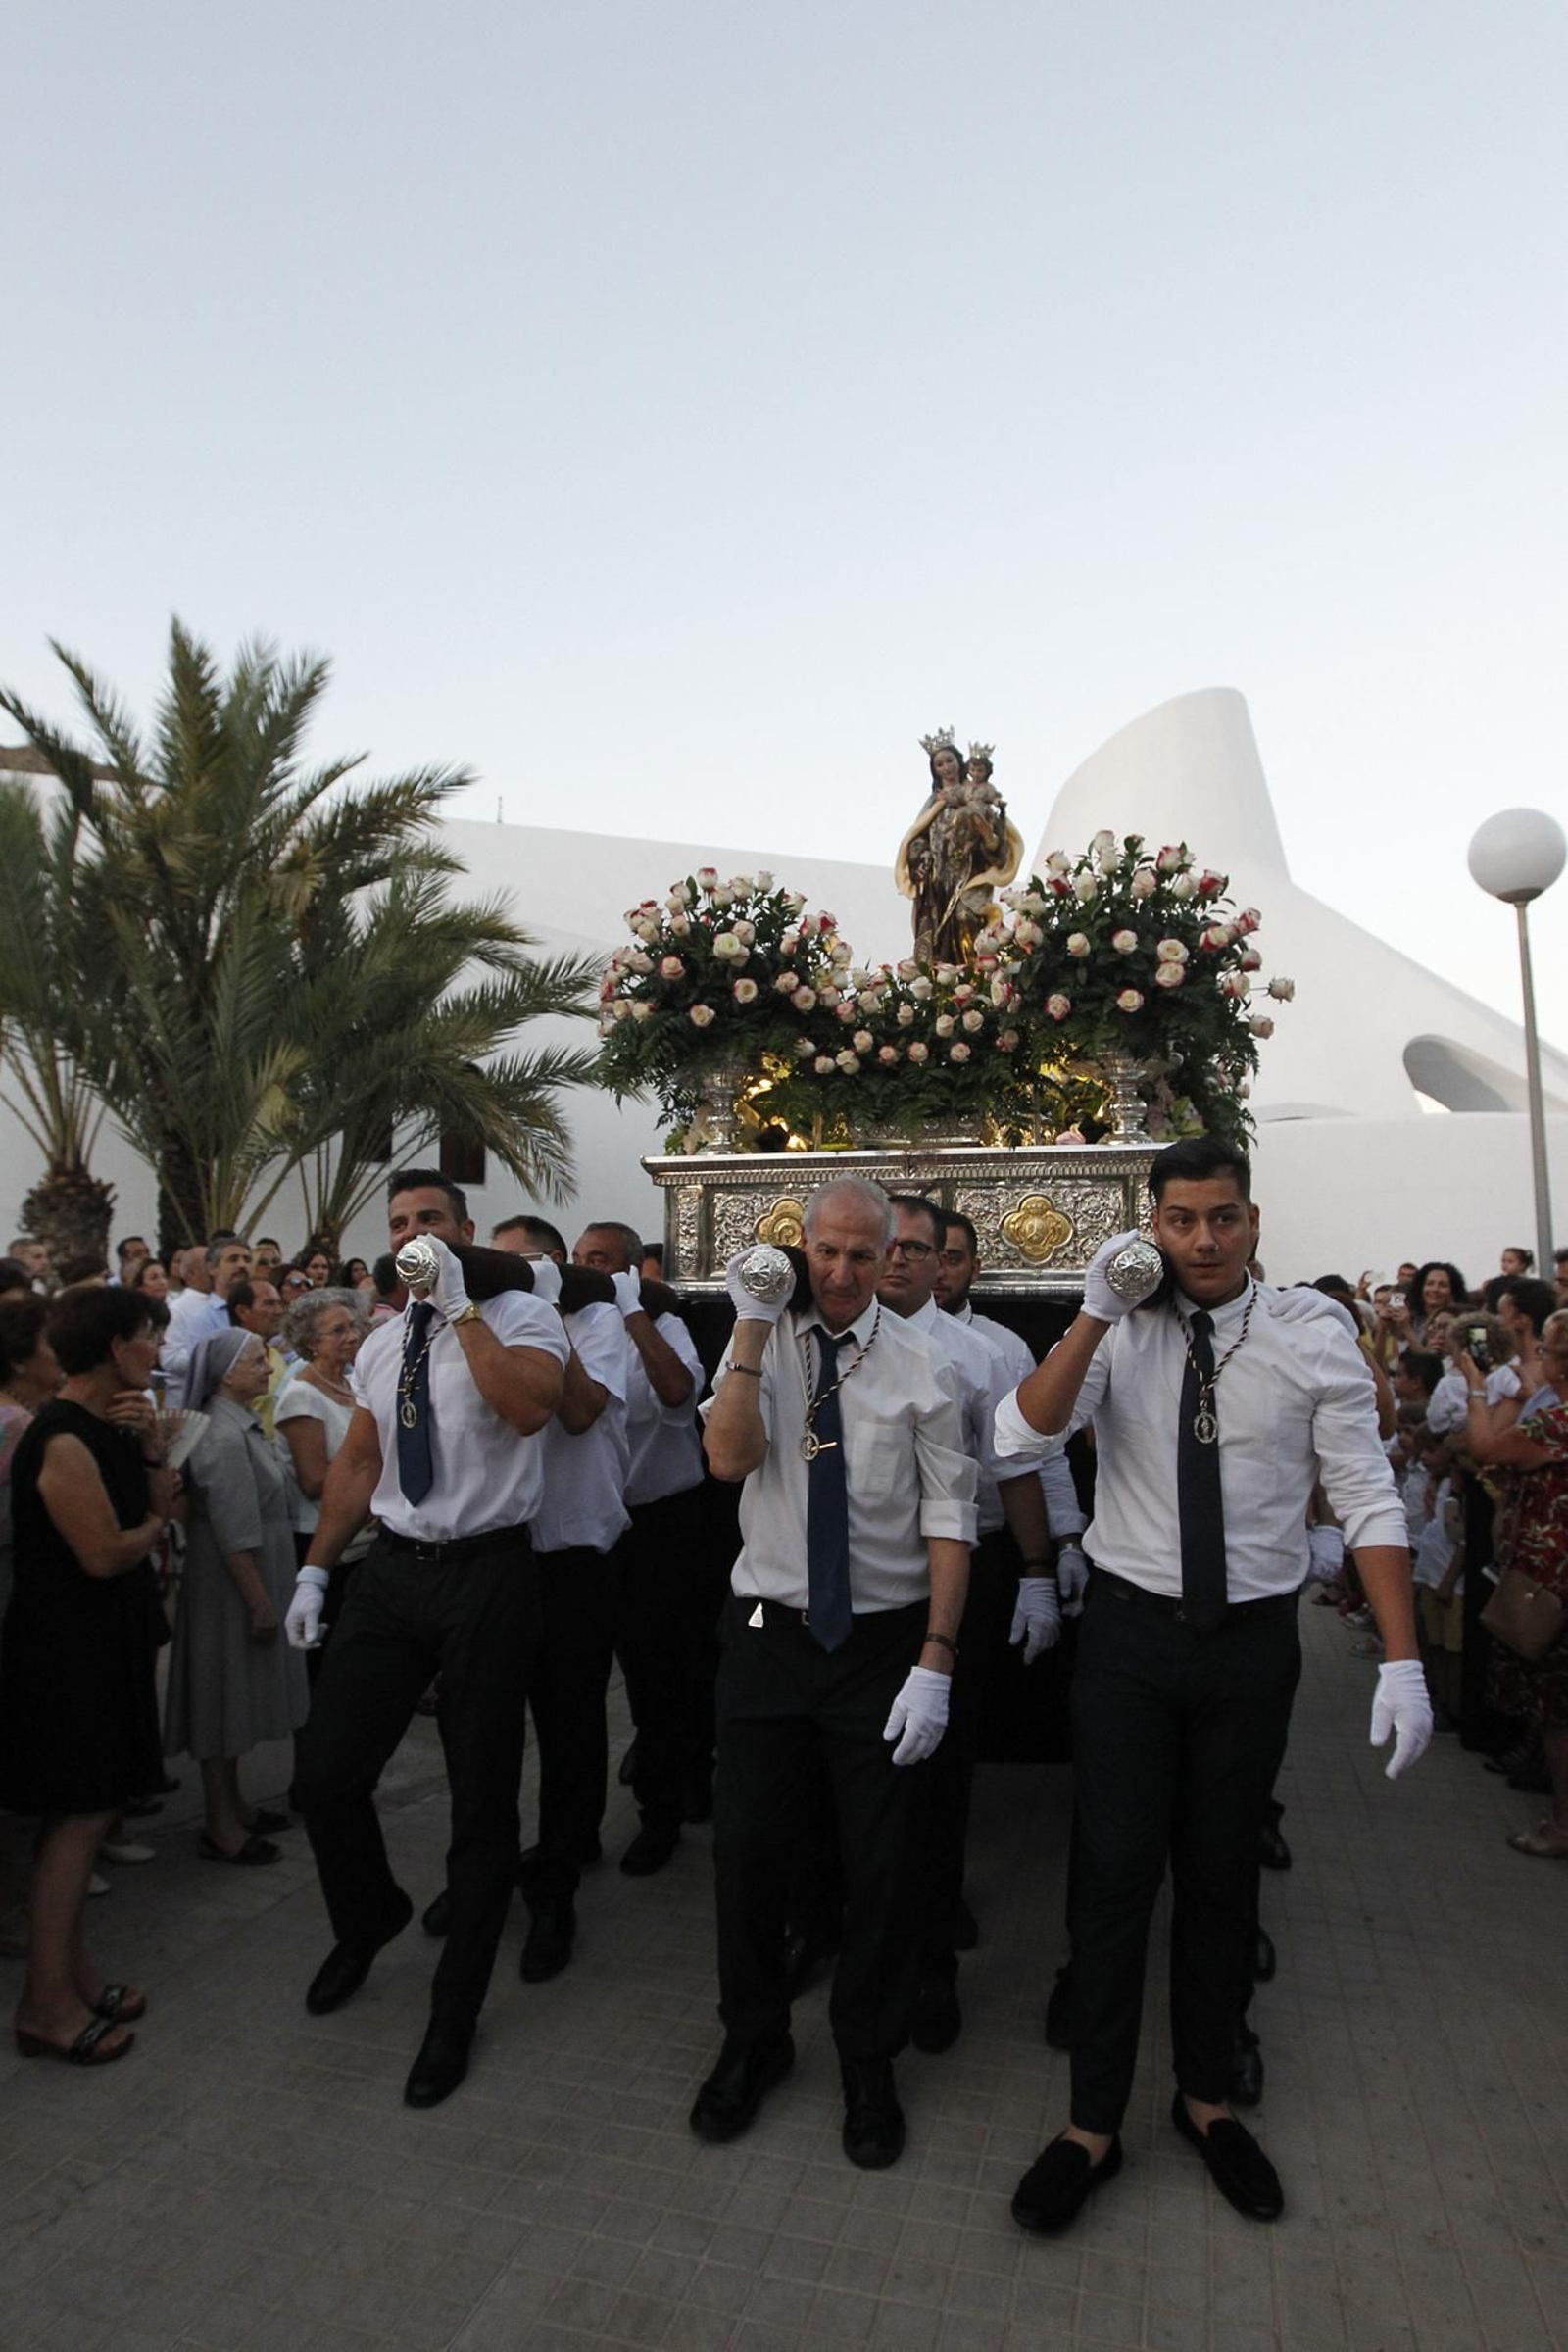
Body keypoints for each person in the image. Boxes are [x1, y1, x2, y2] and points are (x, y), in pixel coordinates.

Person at [995, 1135, 1429, 2234]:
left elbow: (1366, 1493)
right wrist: (1090, 1310)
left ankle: (1204, 2101)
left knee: (1223, 1872)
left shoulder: (1310, 1333)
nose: (1200, 1238)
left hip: (1246, 1644)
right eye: (1179, 1218)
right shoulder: (1115, 1327)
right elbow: (1018, 1434)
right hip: (1132, 1641)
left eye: (1221, 1217)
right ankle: (1091, 2122)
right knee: (1113, 1874)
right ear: (1152, 1221)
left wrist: (1404, 1656)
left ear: (1252, 1221)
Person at [693, 1176, 976, 2169]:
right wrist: (749, 1333)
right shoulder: (759, 1343)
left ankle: (868, 2058)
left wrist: (936, 1659)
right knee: (747, 1853)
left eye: (868, 1254)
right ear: (801, 1248)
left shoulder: (926, 1363)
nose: (848, 1272)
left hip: (880, 1645)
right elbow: (727, 1462)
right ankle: (753, 2039)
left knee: (884, 1867)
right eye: (831, 1253)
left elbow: (949, 1520)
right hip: (769, 1636)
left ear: (896, 1254)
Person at [283, 1170, 568, 2109]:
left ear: (463, 1230)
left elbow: (529, 1408)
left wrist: (461, 1310)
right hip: (396, 1570)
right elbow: (362, 1458)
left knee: (481, 1799)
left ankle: (455, 2010)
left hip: (489, 1572)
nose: (412, 1236)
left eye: (429, 1221)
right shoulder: (381, 1339)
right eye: (399, 1223)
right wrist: (319, 1567)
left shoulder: (521, 1314)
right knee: (325, 1772)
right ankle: (367, 1917)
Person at [878, 1195, 1056, 2055]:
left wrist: (1040, 1570)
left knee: (941, 1772)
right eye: (896, 1247)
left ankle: (930, 1957)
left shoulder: (982, 1355)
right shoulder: (821, 1339)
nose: (910, 1262)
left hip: (960, 1576)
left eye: (927, 1249)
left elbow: (1019, 1467)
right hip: (860, 1585)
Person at [0, 1286, 179, 2063]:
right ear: (114, 1348)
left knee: (84, 1818)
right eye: (146, 1337)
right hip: (66, 1656)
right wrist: (157, 1522)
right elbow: (102, 1552)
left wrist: (148, 1456)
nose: (156, 1350)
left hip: (100, 1643)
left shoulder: (101, 1426)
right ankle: (44, 2005)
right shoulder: (61, 1435)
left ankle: (71, 1974)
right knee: (73, 1827)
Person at [512, 1219, 632, 1978]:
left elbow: (581, 1410)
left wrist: (551, 1318)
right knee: (485, 1728)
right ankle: (486, 1873)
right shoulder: (479, 1325)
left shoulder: (600, 1319)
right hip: (500, 1555)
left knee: (569, 1726)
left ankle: (556, 1883)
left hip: (579, 1552)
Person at [572, 1219, 708, 1875]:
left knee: (662, 1675)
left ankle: (663, 1811)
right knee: (586, 1680)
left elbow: (678, 1392)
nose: (584, 1267)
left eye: (598, 1259)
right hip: (595, 1525)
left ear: (628, 1268)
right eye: (577, 1257)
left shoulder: (661, 1322)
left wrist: (633, 1314)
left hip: (663, 1524)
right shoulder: (563, 1323)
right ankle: (577, 1824)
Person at [163, 1330, 308, 1863]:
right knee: (221, 1699)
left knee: (232, 1697)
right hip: (231, 1582)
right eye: (255, 1362)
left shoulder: (237, 1423)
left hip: (247, 1571)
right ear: (225, 1374)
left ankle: (236, 1805)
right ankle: (220, 1824)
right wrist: (259, 1601)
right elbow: (232, 1527)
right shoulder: (222, 1436)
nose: (267, 1370)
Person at [1457, 1311, 1568, 1854]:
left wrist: (1479, 1389)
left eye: (1544, 1349)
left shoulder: (1556, 1423)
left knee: (1557, 1709)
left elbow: (1486, 1449)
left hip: (1553, 1583)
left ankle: (1563, 1825)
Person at [275, 1290, 375, 1654]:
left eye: (353, 1326)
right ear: (311, 1342)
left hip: (362, 1538)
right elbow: (314, 1480)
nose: (352, 1336)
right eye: (338, 1330)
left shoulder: (351, 1383)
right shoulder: (302, 1395)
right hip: (325, 1538)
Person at [162, 1234, 251, 1406]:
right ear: (211, 1268)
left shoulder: (258, 1310)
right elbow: (175, 1361)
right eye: (233, 1259)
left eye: (247, 1259)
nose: (242, 1265)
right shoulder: (196, 1314)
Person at [226, 1277, 289, 1436]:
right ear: (242, 1311)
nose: (279, 1311)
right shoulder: (231, 1360)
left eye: (279, 1304)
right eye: (269, 1304)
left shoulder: (275, 1355)